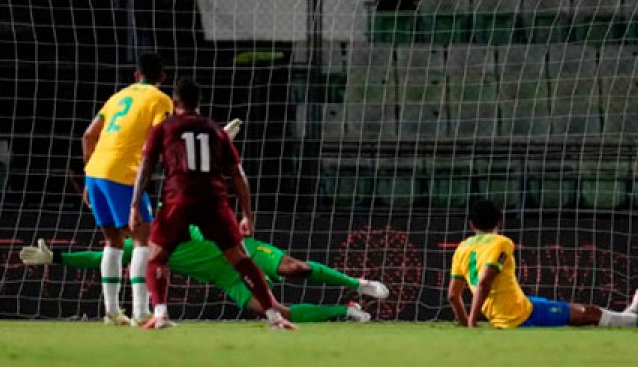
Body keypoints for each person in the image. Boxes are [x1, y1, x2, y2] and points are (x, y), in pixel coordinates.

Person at [129, 77, 293, 330]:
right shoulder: (216, 130)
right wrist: (247, 213)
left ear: (175, 101)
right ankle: (274, 316)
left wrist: (134, 205)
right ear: (199, 103)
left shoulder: (163, 129)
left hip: (178, 198)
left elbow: (146, 167)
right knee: (241, 259)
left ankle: (160, 314)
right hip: (213, 201)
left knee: (156, 257)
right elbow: (238, 175)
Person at [19, 229, 376, 323]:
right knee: (275, 312)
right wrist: (57, 257)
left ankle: (358, 284)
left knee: (296, 269)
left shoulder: (185, 213)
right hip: (226, 278)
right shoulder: (147, 246)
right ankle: (344, 309)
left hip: (241, 250)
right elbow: (102, 257)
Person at [447, 198, 638, 329]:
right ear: (499, 220)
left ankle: (628, 315)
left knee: (576, 311)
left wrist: (464, 321)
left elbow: (452, 296)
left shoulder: (462, 248)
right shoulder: (501, 242)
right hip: (518, 316)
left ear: (470, 225)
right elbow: (486, 281)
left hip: (521, 304)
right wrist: (471, 324)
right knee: (588, 314)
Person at [83, 53, 173, 326]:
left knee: (113, 240)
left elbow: (88, 135)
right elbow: (162, 137)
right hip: (122, 172)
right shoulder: (160, 99)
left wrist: (89, 174)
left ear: (137, 76)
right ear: (162, 78)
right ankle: (141, 311)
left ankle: (111, 311)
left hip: (95, 171)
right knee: (144, 237)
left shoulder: (118, 97)